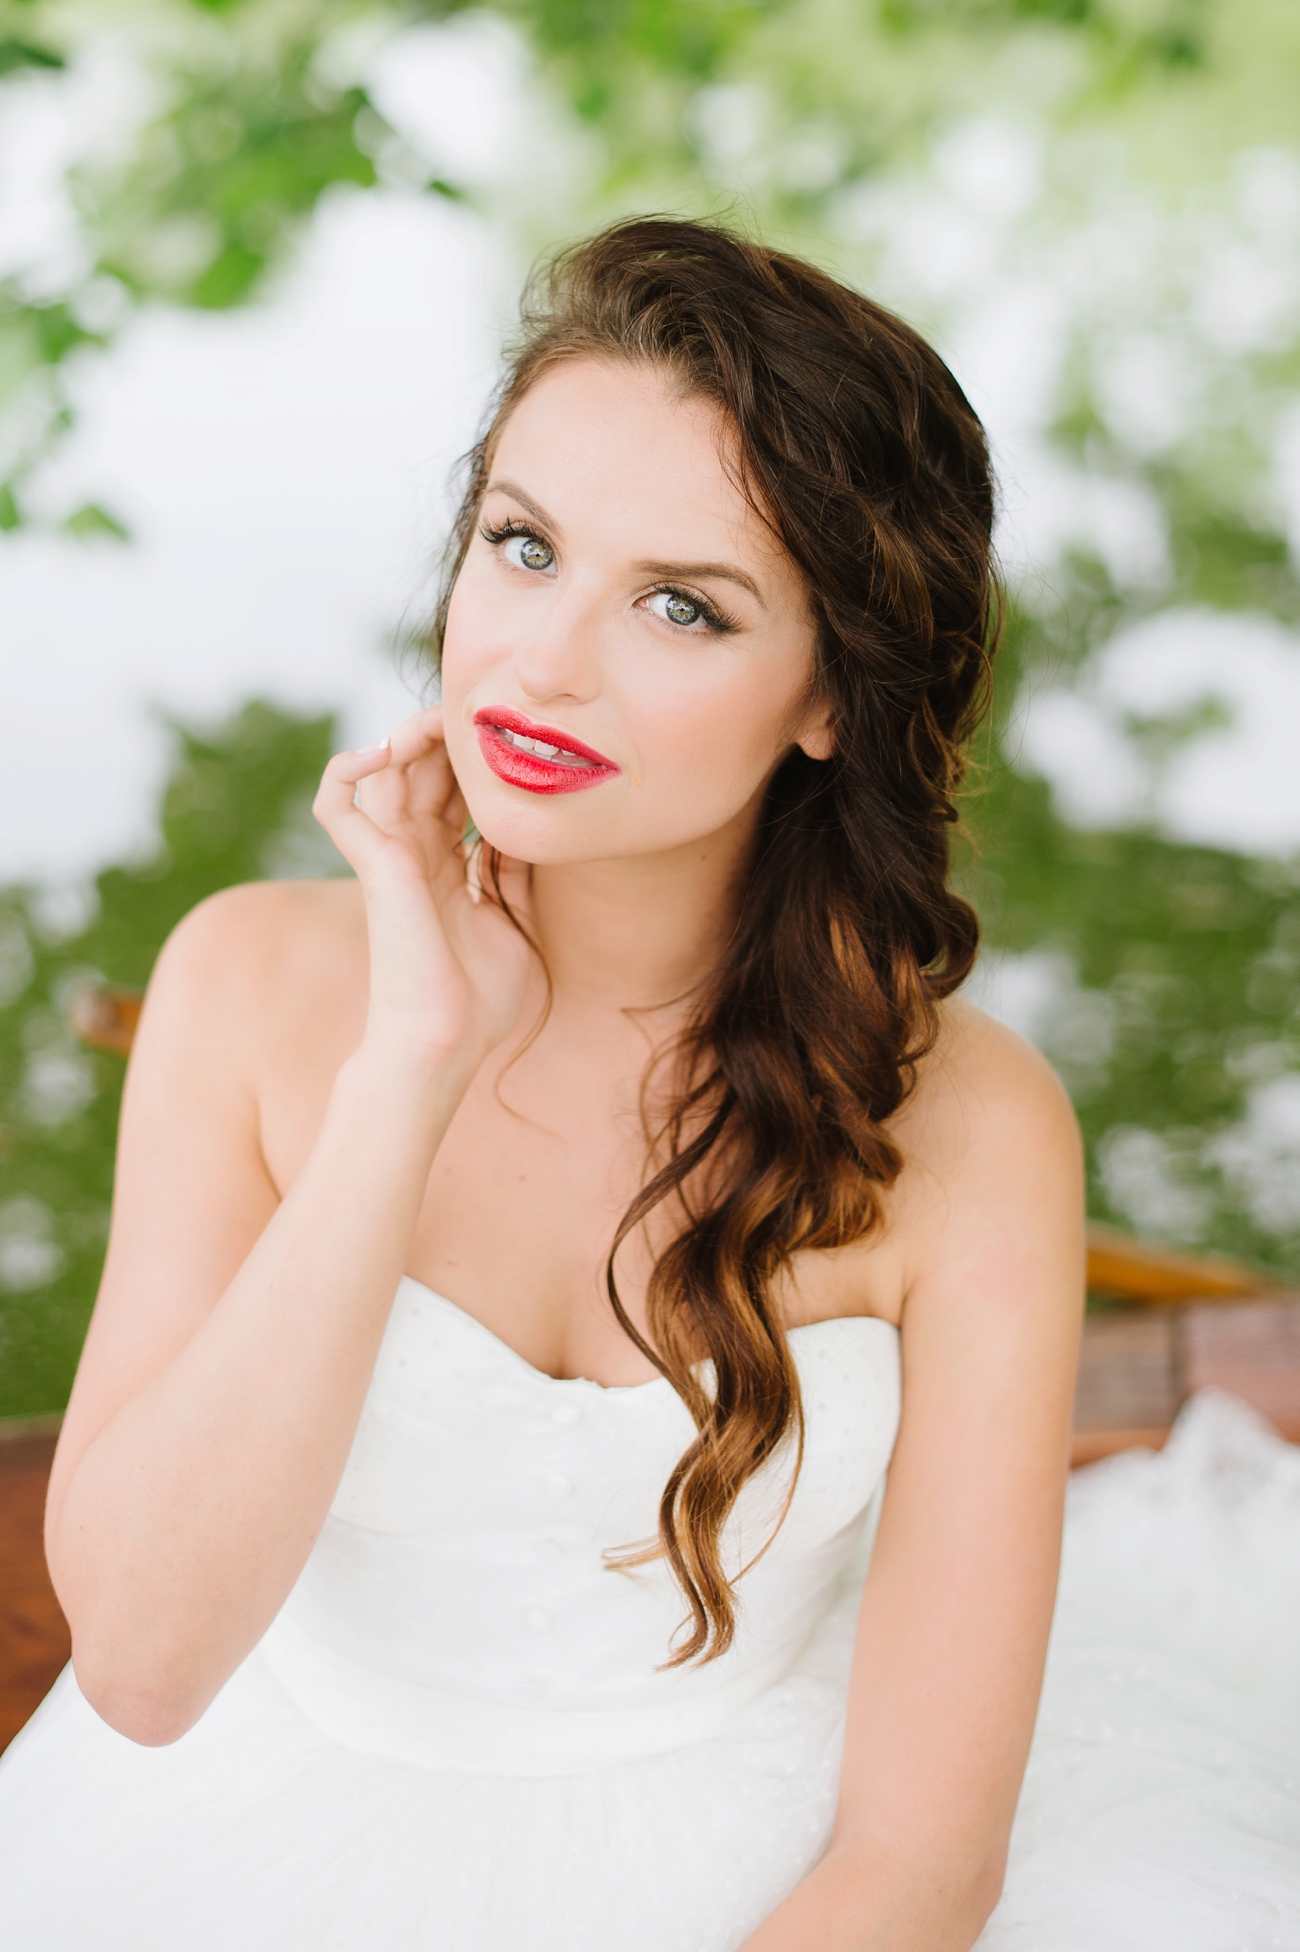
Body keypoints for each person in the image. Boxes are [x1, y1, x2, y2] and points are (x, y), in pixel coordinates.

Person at [1, 217, 1298, 1952]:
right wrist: (411, 1063)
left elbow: (918, 1861)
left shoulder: (971, 1129)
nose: (541, 663)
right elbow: (148, 1668)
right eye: (521, 546)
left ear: (833, 693)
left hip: (782, 1866)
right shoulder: (249, 982)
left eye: (680, 605)